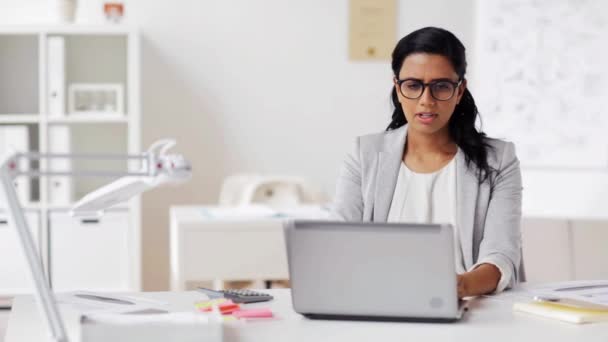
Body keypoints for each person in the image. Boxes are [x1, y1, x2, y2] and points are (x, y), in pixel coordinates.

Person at [331, 27, 523, 298]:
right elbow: (337, 244)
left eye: (441, 86)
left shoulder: (498, 160)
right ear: (397, 88)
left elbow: (501, 256)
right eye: (413, 85)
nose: (426, 101)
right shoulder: (364, 155)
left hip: (470, 309)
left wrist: (456, 286)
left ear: (459, 91)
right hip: (378, 303)